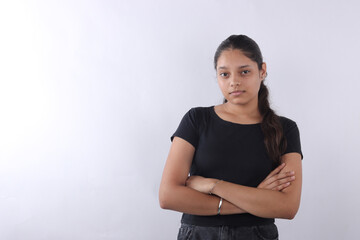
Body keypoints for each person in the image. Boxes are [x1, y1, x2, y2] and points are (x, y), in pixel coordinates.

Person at [159, 34, 303, 240]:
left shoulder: (285, 129)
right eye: (224, 74)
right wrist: (257, 197)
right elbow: (168, 196)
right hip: (199, 235)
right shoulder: (196, 119)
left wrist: (212, 185)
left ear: (262, 71)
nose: (234, 82)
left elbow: (287, 207)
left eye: (244, 72)